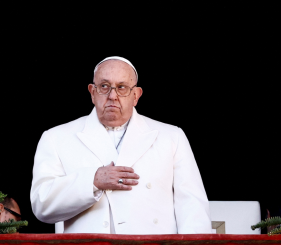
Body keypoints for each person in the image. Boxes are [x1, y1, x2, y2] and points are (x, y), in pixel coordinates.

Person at [30, 56, 212, 234]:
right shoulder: (56, 138)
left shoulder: (172, 137)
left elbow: (193, 209)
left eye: (122, 87)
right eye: (104, 86)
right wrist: (92, 181)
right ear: (92, 92)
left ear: (136, 95)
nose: (112, 96)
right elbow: (41, 204)